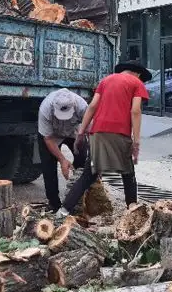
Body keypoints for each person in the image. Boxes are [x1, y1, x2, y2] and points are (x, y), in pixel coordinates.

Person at [55, 61, 152, 217]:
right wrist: (136, 140)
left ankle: (63, 211)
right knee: (128, 174)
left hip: (98, 132)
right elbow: (135, 111)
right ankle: (132, 212)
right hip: (120, 133)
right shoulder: (136, 83)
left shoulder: (105, 81)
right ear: (138, 74)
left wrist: (81, 132)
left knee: (88, 175)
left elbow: (92, 106)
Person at [37, 88, 88, 211]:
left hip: (74, 132)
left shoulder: (82, 106)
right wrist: (62, 159)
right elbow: (48, 139)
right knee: (48, 168)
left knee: (82, 162)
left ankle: (78, 201)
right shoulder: (45, 109)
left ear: (73, 106)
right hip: (52, 136)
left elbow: (92, 132)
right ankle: (55, 205)